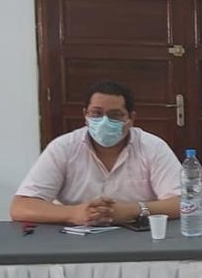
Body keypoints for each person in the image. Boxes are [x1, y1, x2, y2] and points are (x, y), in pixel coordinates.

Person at [10, 81, 182, 226]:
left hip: (138, 235)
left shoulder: (153, 147)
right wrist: (73, 213)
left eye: (115, 115)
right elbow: (20, 207)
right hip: (74, 238)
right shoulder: (63, 147)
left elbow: (185, 202)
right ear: (85, 115)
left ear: (131, 118)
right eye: (97, 113)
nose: (105, 122)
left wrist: (134, 210)